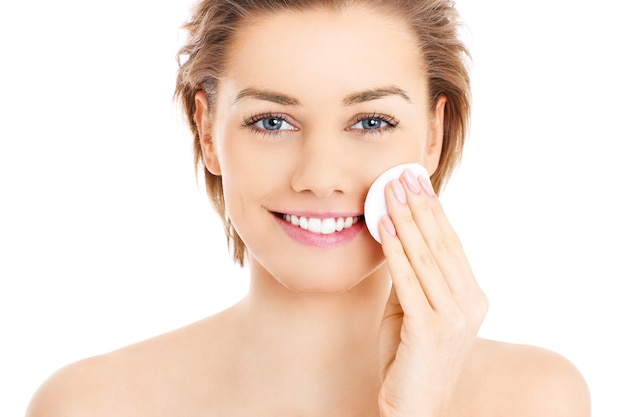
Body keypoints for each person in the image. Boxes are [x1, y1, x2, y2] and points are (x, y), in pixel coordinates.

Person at [26, 0, 591, 416]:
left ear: (434, 136)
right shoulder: (87, 405)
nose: (320, 178)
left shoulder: (539, 399)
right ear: (206, 130)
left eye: (371, 122)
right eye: (271, 121)